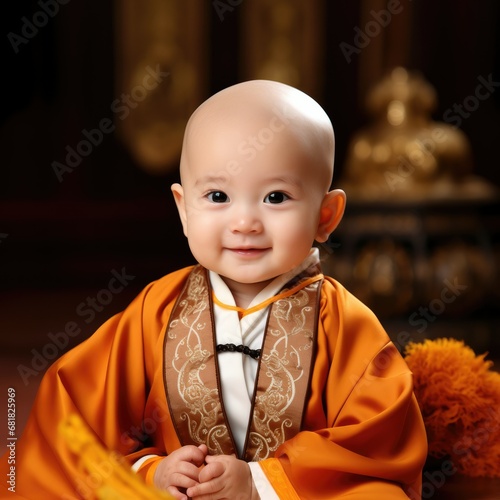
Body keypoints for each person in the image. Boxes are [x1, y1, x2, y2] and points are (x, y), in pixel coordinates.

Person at [0, 80, 427, 499]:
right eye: (218, 195)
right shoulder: (158, 309)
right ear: (183, 209)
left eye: (276, 197)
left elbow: (377, 439)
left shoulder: (344, 321)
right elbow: (77, 417)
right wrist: (152, 471)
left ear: (326, 215)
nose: (245, 222)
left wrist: (259, 482)